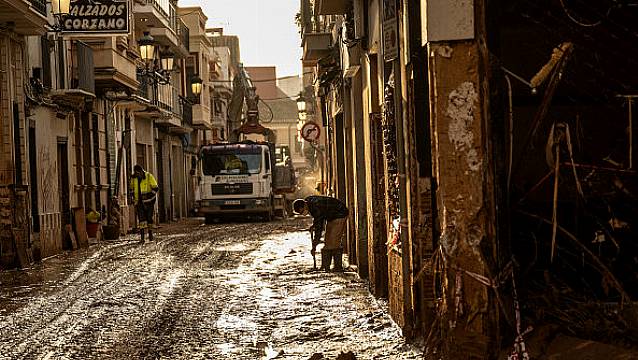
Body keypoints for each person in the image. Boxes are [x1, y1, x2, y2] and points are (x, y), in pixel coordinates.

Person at [293, 195, 348, 271]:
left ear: (304, 205)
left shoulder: (315, 206)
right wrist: (314, 226)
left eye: (302, 211)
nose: (303, 213)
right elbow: (318, 219)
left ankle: (337, 267)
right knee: (328, 241)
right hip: (331, 217)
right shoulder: (309, 203)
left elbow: (319, 228)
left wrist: (314, 245)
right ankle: (325, 266)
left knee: (334, 241)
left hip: (340, 214)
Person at [130, 164, 159, 243]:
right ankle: (142, 238)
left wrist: (148, 196)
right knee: (141, 219)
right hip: (139, 202)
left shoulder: (149, 176)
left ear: (141, 171)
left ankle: (150, 235)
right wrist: (132, 198)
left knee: (149, 218)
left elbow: (156, 188)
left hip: (149, 202)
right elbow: (132, 189)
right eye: (136, 173)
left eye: (138, 173)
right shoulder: (134, 178)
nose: (137, 175)